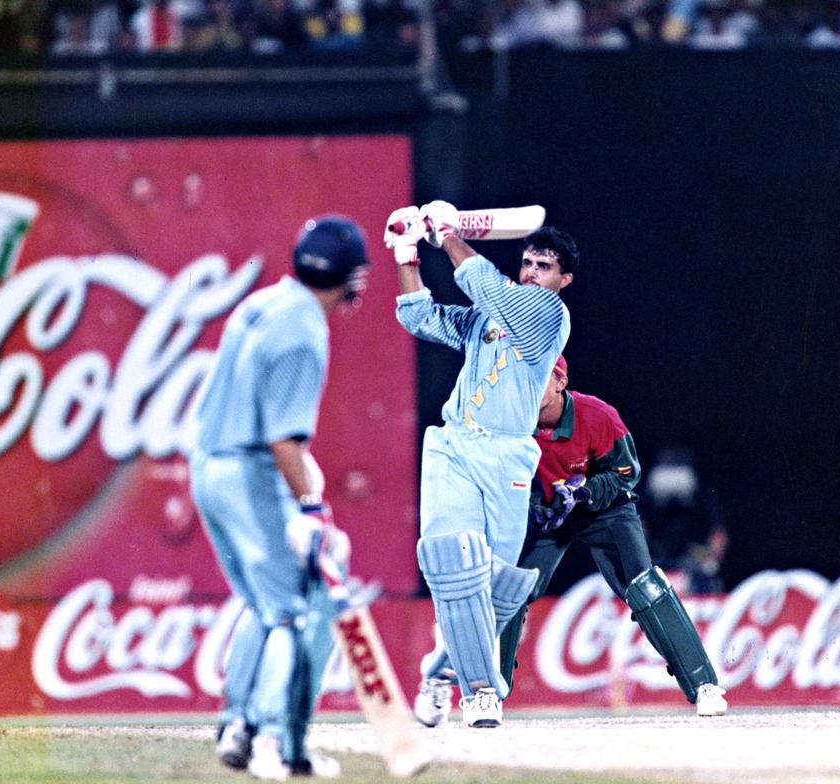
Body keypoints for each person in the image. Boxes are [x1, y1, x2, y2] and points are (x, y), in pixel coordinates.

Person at [412, 357, 727, 725]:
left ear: (560, 382)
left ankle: (704, 685)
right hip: (551, 519)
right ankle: (488, 694)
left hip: (605, 512)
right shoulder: (511, 424)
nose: (523, 388)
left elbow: (628, 473)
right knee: (508, 589)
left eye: (535, 379)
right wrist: (535, 506)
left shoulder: (597, 415)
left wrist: (587, 492)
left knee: (647, 587)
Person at [188, 215, 369, 780]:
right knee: (290, 611)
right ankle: (274, 744)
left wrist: (303, 488)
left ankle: (237, 726)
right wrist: (311, 507)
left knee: (264, 607)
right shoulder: (305, 333)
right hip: (249, 472)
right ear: (352, 275)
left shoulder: (264, 303)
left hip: (208, 465)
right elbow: (283, 440)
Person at [384, 200, 575, 728]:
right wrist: (406, 254)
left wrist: (445, 234)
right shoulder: (489, 316)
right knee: (454, 561)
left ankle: (438, 671)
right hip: (457, 445)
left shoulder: (547, 315)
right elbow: (423, 317)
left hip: (510, 455)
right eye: (528, 262)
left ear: (563, 280)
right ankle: (480, 691)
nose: (533, 271)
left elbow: (484, 285)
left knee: (501, 591)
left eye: (545, 266)